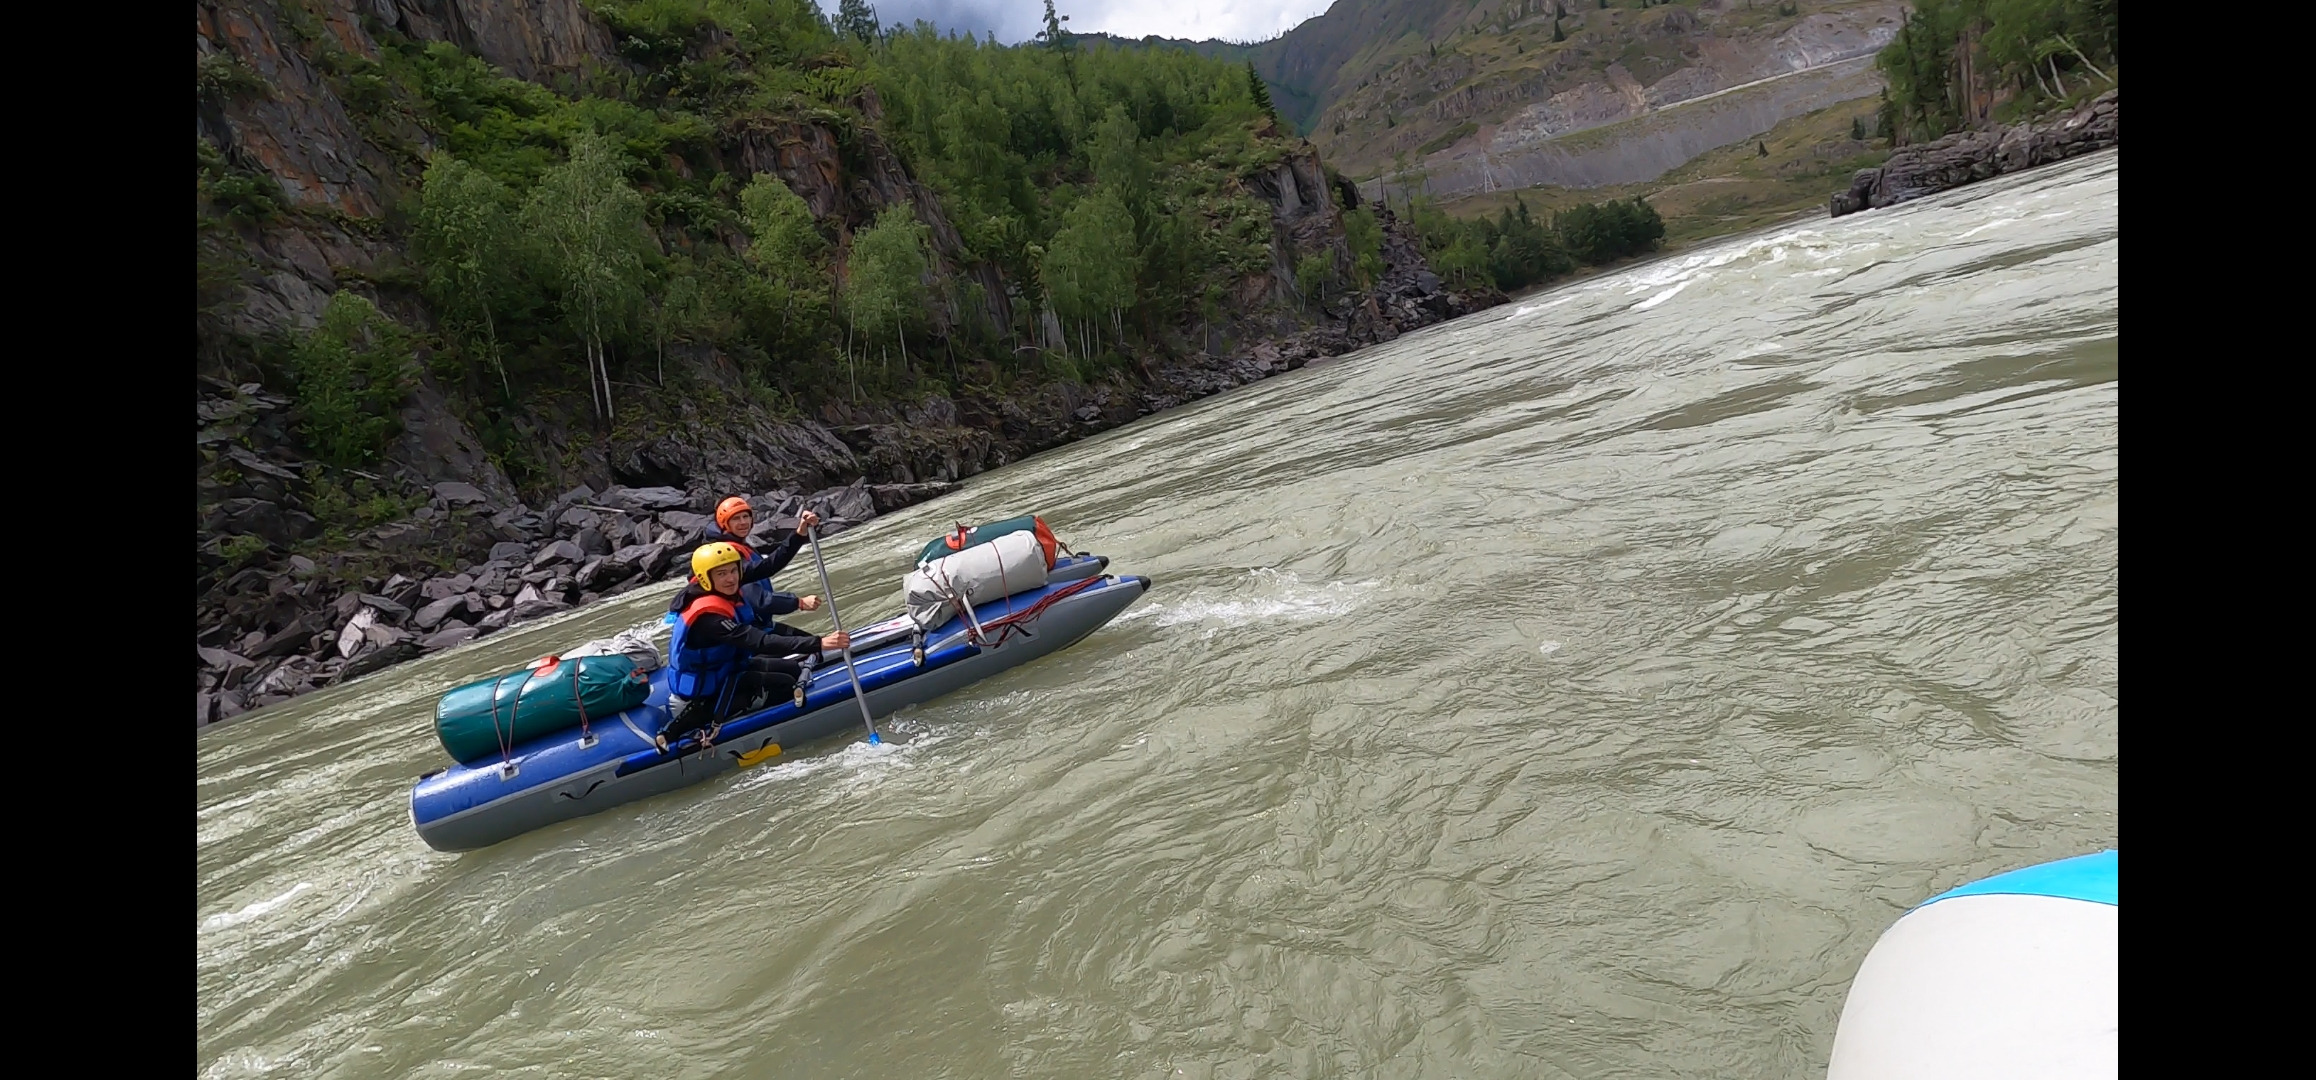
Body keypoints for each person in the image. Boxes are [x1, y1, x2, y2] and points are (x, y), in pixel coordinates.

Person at [661, 542, 848, 751]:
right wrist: (818, 643)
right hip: (700, 695)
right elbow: (760, 641)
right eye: (722, 574)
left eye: (733, 571)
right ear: (706, 577)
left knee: (794, 670)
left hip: (726, 672)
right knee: (785, 685)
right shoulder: (708, 618)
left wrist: (799, 535)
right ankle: (694, 722)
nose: (731, 578)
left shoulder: (721, 591)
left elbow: (768, 566)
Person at [667, 498, 826, 635]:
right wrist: (798, 603)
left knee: (809, 642)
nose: (743, 522)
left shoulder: (739, 546)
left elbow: (769, 565)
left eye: (746, 517)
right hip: (744, 633)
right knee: (811, 647)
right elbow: (759, 599)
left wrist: (800, 533)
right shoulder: (726, 556)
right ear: (725, 523)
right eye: (736, 518)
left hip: (758, 626)